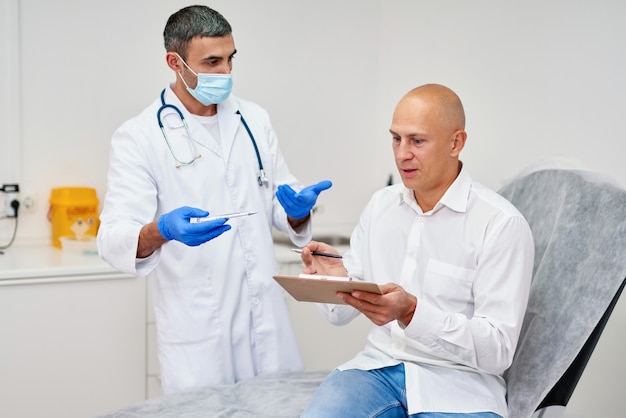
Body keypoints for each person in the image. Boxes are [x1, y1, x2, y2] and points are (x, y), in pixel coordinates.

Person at [96, 5, 331, 395]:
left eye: (230, 59)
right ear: (175, 62)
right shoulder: (138, 137)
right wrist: (161, 230)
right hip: (200, 325)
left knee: (281, 403)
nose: (225, 72)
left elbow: (277, 202)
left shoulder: (253, 119)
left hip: (266, 319)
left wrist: (296, 212)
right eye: (212, 61)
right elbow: (112, 238)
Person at [298, 84, 534, 418]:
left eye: (417, 141)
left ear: (456, 142)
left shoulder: (500, 224)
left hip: (460, 387)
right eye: (396, 138)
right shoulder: (381, 205)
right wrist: (335, 280)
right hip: (376, 370)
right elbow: (340, 315)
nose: (401, 153)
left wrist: (412, 313)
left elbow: (498, 350)